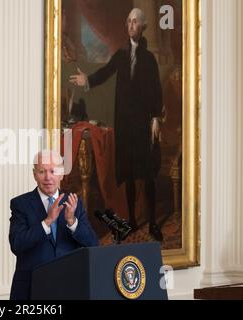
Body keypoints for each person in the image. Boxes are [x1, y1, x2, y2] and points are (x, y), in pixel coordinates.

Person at [69, 8, 163, 241]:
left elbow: (156, 91)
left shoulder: (149, 59)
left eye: (136, 22)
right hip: (125, 124)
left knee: (148, 174)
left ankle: (152, 223)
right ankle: (131, 220)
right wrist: (87, 80)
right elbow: (106, 72)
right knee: (129, 174)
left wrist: (155, 119)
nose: (132, 25)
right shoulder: (121, 55)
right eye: (129, 21)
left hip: (144, 123)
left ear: (143, 27)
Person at [9, 150, 98, 300]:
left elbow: (92, 243)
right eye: (42, 171)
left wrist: (72, 222)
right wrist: (47, 222)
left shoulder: (74, 202)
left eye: (53, 171)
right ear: (34, 174)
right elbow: (17, 244)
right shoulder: (20, 204)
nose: (48, 177)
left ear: (61, 174)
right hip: (32, 287)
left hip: (69, 286)